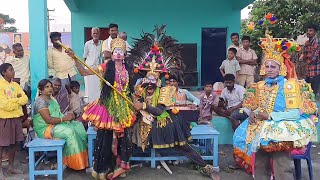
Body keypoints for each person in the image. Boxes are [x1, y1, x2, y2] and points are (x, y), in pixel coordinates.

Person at [129, 28, 220, 179]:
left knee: (183, 146)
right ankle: (122, 164)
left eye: (153, 85)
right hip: (145, 123)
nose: (150, 87)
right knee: (126, 136)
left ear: (158, 82)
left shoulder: (167, 90)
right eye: (147, 84)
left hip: (165, 123)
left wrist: (143, 106)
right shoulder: (141, 89)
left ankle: (206, 167)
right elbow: (135, 103)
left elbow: (158, 111)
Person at [233, 31, 318, 179]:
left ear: (281, 69)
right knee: (259, 166)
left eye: (273, 67)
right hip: (261, 129)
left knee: (281, 168)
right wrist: (251, 113)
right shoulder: (259, 86)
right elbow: (256, 106)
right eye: (267, 66)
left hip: (281, 131)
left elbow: (294, 113)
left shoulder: (289, 86)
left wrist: (270, 115)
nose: (270, 69)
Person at [68, 38, 136, 179]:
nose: (118, 54)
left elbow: (131, 89)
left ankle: (119, 167)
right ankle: (102, 169)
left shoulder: (128, 68)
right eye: (115, 51)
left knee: (123, 138)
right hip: (107, 106)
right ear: (111, 54)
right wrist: (75, 58)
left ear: (124, 54)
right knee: (105, 138)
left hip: (124, 105)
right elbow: (84, 72)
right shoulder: (105, 67)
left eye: (120, 51)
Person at [33, 79, 88, 170]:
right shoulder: (40, 101)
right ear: (40, 89)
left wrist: (68, 116)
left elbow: (57, 114)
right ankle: (69, 162)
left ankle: (83, 159)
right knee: (69, 132)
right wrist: (64, 119)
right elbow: (48, 120)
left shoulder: (51, 98)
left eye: (51, 86)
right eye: (47, 87)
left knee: (78, 126)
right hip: (45, 129)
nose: (50, 88)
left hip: (55, 124)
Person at [0, 63, 28, 179]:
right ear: (4, 73)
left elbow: (25, 99)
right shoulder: (1, 85)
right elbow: (4, 105)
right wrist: (17, 100)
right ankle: (0, 170)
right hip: (4, 118)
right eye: (11, 70)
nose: (13, 71)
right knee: (1, 145)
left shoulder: (15, 85)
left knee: (14, 144)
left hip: (16, 118)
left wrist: (13, 100)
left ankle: (11, 167)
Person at [83, 27, 102, 103]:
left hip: (99, 68)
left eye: (97, 33)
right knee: (89, 86)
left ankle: (97, 102)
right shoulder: (87, 44)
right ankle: (89, 102)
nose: (95, 34)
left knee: (98, 87)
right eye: (94, 33)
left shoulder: (103, 43)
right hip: (89, 68)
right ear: (91, 34)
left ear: (99, 34)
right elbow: (84, 57)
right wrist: (85, 68)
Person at [300, 24, 320, 96]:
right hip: (308, 72)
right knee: (307, 93)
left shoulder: (317, 43)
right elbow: (303, 56)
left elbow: (313, 58)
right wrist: (304, 56)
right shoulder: (307, 43)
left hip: (315, 72)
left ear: (315, 32)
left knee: (313, 94)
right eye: (308, 30)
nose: (308, 32)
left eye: (311, 31)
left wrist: (304, 56)